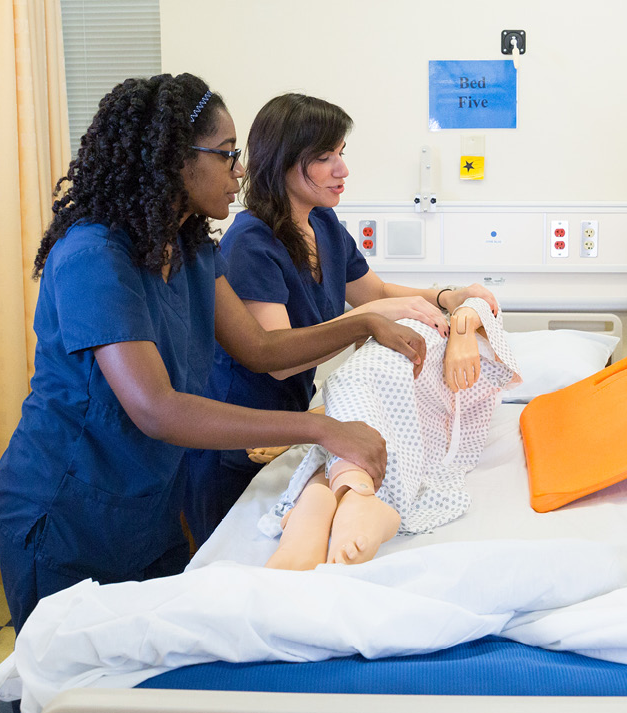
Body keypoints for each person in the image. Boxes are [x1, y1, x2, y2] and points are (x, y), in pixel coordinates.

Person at [0, 74, 426, 634]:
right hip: (69, 512)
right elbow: (158, 408)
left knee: (150, 682)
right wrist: (322, 429)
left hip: (149, 509)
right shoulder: (93, 257)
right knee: (67, 688)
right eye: (225, 155)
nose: (239, 171)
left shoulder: (193, 248)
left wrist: (365, 320)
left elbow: (261, 348)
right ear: (173, 160)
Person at [181, 93, 500, 546]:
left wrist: (450, 295)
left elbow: (378, 293)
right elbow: (279, 357)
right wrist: (369, 319)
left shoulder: (323, 225)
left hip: (295, 424)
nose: (342, 169)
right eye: (325, 157)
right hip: (241, 440)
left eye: (341, 154)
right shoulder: (251, 242)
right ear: (283, 163)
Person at [263, 297, 518, 569]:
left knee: (351, 402)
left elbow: (482, 303)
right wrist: (457, 319)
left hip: (410, 384)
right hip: (396, 360)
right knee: (351, 391)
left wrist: (461, 330)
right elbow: (473, 298)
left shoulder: (465, 336)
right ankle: (342, 502)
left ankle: (325, 503)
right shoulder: (431, 307)